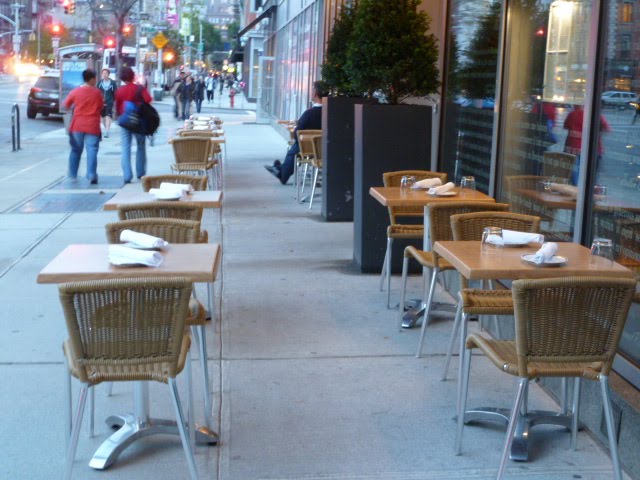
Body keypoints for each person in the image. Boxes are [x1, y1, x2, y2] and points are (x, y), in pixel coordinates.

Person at [265, 81, 326, 185]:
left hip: (309, 150)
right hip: (326, 149)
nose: (310, 93)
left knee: (295, 148)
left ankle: (282, 173)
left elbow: (297, 133)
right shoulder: (331, 113)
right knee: (296, 148)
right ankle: (280, 169)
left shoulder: (309, 114)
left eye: (311, 90)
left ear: (315, 94)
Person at [63, 68, 103, 184]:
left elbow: (66, 105)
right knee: (92, 150)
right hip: (92, 125)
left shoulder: (75, 92)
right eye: (95, 78)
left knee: (76, 150)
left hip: (77, 125)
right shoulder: (97, 93)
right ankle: (91, 174)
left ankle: (72, 175)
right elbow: (101, 106)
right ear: (91, 79)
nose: (96, 80)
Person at [115, 66, 153, 184]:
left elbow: (118, 107)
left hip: (125, 121)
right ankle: (140, 172)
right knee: (141, 146)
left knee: (125, 148)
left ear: (122, 78)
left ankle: (127, 175)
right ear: (133, 76)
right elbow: (149, 100)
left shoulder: (120, 90)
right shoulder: (140, 89)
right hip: (139, 121)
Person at [563, 104, 611, 185]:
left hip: (573, 147)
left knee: (575, 170)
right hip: (591, 148)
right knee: (590, 172)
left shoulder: (572, 114)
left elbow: (566, 126)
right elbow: (607, 128)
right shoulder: (596, 115)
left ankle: (576, 188)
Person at [96, 68, 116, 138]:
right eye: (103, 73)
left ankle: (107, 131)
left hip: (109, 101)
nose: (104, 75)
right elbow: (96, 92)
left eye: (106, 73)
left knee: (108, 116)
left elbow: (115, 93)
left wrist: (112, 100)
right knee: (102, 117)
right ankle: (106, 128)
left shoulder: (112, 83)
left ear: (108, 74)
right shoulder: (100, 83)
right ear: (101, 74)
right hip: (101, 102)